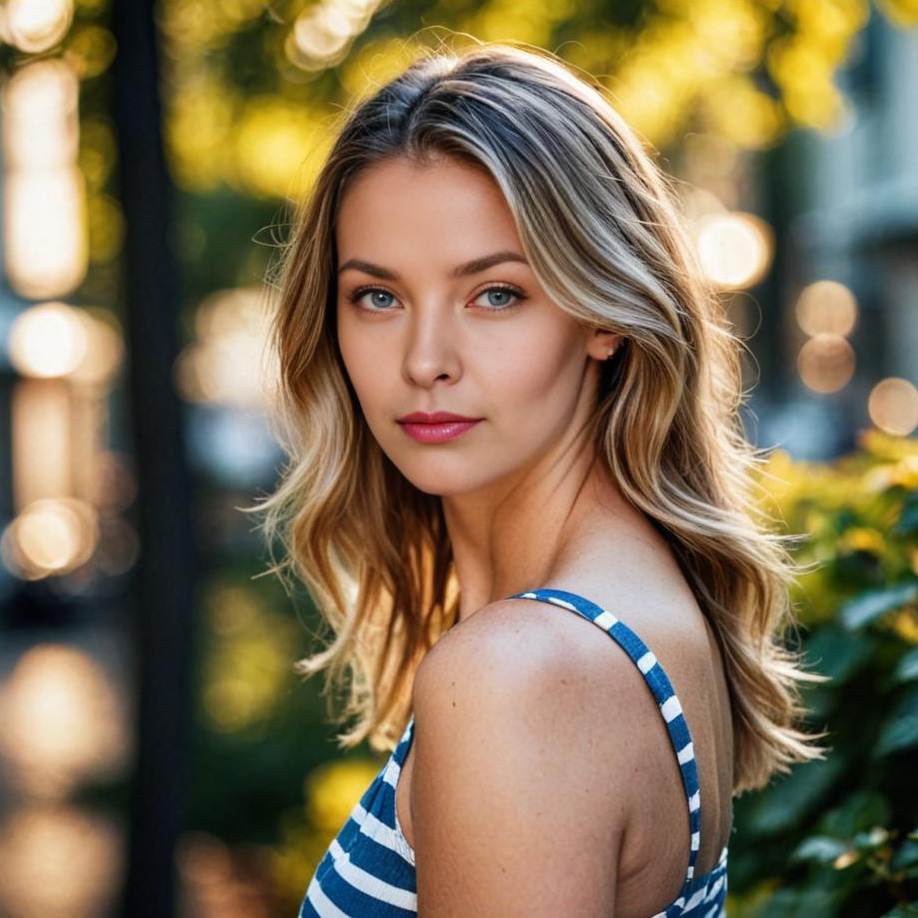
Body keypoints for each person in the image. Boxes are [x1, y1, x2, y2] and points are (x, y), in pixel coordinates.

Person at [248, 38, 829, 918]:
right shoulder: (625, 612)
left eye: (496, 294)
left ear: (603, 312)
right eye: (378, 296)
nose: (425, 360)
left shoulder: (523, 673)